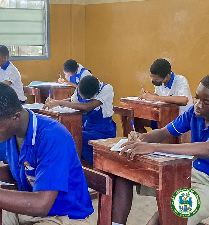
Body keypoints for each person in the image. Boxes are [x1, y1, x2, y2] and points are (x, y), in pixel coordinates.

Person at [0, 82, 93, 225]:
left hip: (65, 216)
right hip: (30, 209)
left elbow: (41, 205)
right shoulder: (12, 132)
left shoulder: (52, 136)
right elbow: (18, 172)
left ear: (15, 117)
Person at [112, 75, 209, 225]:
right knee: (124, 174)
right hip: (187, 171)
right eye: (196, 98)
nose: (198, 104)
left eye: (206, 102)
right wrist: (142, 138)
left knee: (169, 215)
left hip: (206, 184)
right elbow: (164, 132)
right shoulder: (194, 113)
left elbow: (205, 148)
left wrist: (154, 147)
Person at [44, 75, 116, 164]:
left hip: (103, 130)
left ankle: (76, 165)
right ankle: (71, 164)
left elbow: (87, 107)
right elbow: (73, 101)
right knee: (66, 134)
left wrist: (59, 102)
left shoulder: (106, 89)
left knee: (73, 137)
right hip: (87, 127)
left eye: (86, 98)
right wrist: (54, 103)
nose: (82, 99)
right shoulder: (81, 87)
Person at [136, 58, 193, 131]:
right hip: (165, 117)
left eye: (156, 79)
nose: (153, 81)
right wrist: (149, 95)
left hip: (181, 119)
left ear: (167, 77)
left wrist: (154, 97)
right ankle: (142, 141)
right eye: (152, 77)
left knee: (160, 131)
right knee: (137, 121)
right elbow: (159, 97)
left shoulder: (180, 80)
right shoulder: (159, 83)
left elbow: (184, 100)